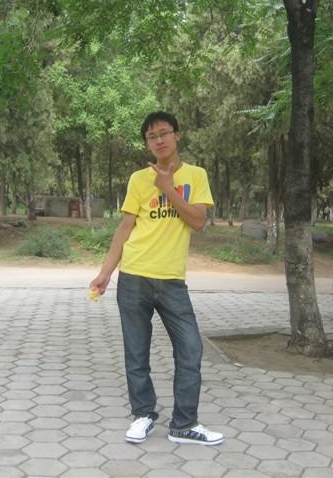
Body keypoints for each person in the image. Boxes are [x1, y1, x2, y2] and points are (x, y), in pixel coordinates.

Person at [90, 111, 224, 446]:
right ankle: (143, 415)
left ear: (177, 135)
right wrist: (105, 273)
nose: (159, 140)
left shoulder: (196, 175)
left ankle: (184, 424)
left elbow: (198, 221)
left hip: (172, 282)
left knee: (190, 350)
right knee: (136, 353)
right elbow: (125, 228)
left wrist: (169, 189)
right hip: (134, 277)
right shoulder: (138, 179)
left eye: (164, 132)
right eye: (152, 136)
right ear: (146, 143)